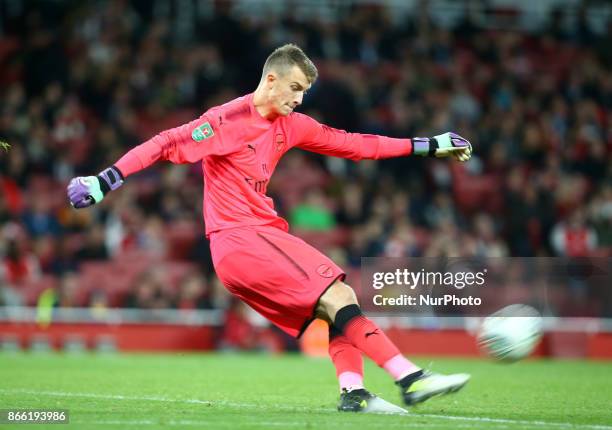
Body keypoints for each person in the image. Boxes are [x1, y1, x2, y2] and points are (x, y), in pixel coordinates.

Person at [67, 44, 472, 413]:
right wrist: (106, 180)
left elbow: (356, 144)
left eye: (304, 93)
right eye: (294, 87)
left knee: (338, 304)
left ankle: (355, 394)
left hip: (258, 237)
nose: (298, 99)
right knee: (336, 293)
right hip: (240, 240)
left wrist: (430, 145)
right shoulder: (226, 120)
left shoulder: (291, 125)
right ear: (271, 79)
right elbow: (164, 142)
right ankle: (411, 379)